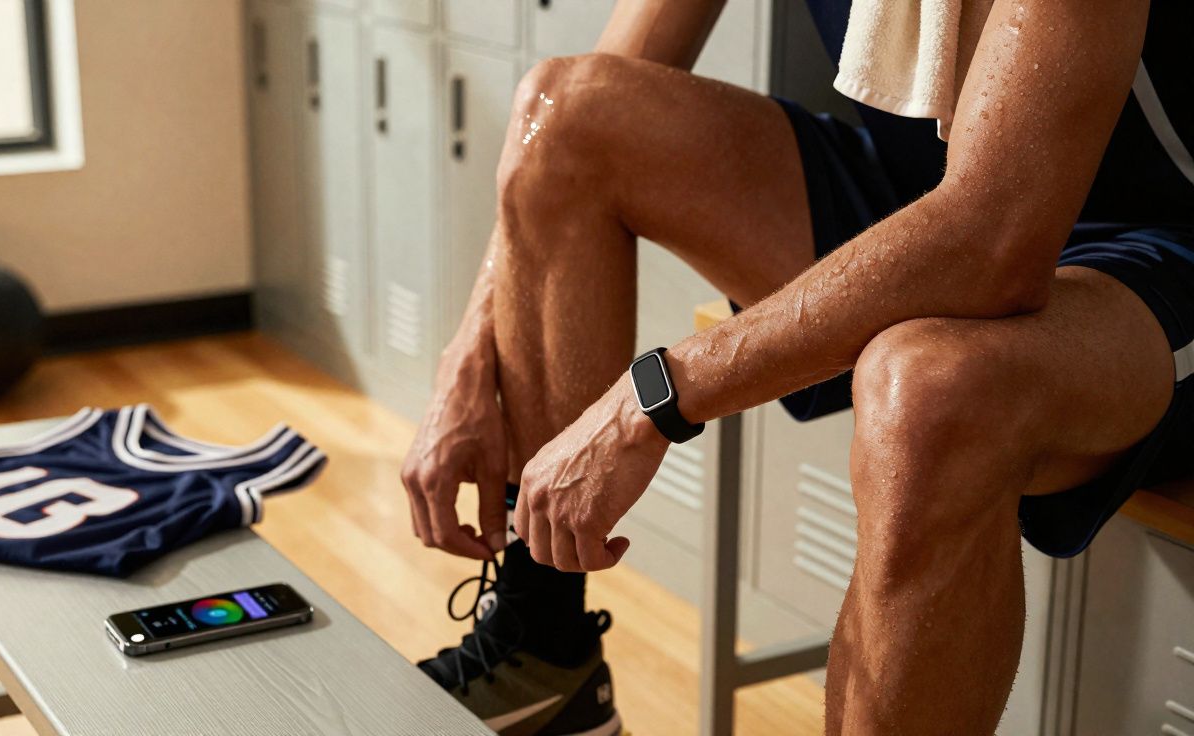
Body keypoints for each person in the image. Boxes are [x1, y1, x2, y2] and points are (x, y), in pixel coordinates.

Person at [401, 0, 1194, 732]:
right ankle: (545, 656)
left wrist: (651, 398)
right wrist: (471, 350)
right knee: (568, 111)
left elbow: (991, 243)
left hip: (1145, 242)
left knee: (927, 391)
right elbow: (603, 80)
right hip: (927, 196)